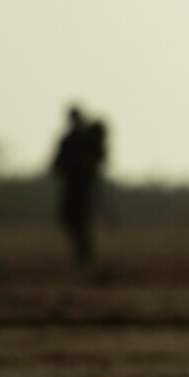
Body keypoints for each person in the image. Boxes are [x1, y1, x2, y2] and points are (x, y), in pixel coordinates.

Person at [51, 104, 109, 266]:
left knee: (79, 219)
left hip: (82, 187)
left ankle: (84, 253)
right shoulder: (71, 139)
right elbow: (58, 164)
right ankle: (83, 252)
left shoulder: (82, 139)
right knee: (71, 219)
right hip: (74, 186)